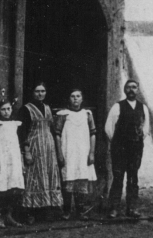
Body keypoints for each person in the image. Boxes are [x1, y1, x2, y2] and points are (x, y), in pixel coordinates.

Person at [18, 82, 63, 223]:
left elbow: (52, 128)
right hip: (34, 145)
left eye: (43, 91)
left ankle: (47, 211)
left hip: (48, 147)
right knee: (33, 178)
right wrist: (26, 151)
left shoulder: (48, 108)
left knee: (49, 176)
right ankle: (30, 212)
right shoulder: (25, 109)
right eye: (37, 91)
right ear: (32, 92)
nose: (40, 94)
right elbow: (22, 131)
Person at [104, 80, 150, 219]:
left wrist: (136, 140)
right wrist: (118, 142)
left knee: (133, 178)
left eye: (134, 87)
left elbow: (146, 128)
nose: (131, 90)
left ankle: (132, 208)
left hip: (135, 148)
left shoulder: (143, 108)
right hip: (120, 148)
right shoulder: (117, 107)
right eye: (128, 87)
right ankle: (114, 208)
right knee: (118, 178)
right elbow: (108, 128)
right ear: (124, 90)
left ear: (138, 90)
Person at [54, 89, 97, 220]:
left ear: (82, 99)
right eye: (72, 96)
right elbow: (57, 135)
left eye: (78, 96)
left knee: (81, 180)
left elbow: (93, 134)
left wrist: (92, 153)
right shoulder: (63, 114)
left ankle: (80, 211)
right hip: (69, 152)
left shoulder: (87, 114)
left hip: (83, 153)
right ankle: (67, 211)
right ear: (69, 99)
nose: (75, 99)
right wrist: (60, 154)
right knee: (69, 179)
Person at [0, 100, 25, 228]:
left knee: (13, 189)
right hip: (1, 160)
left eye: (8, 109)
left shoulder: (16, 125)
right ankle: (0, 218)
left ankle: (9, 216)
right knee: (1, 189)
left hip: (14, 160)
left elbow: (20, 144)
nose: (6, 112)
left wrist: (21, 162)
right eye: (3, 109)